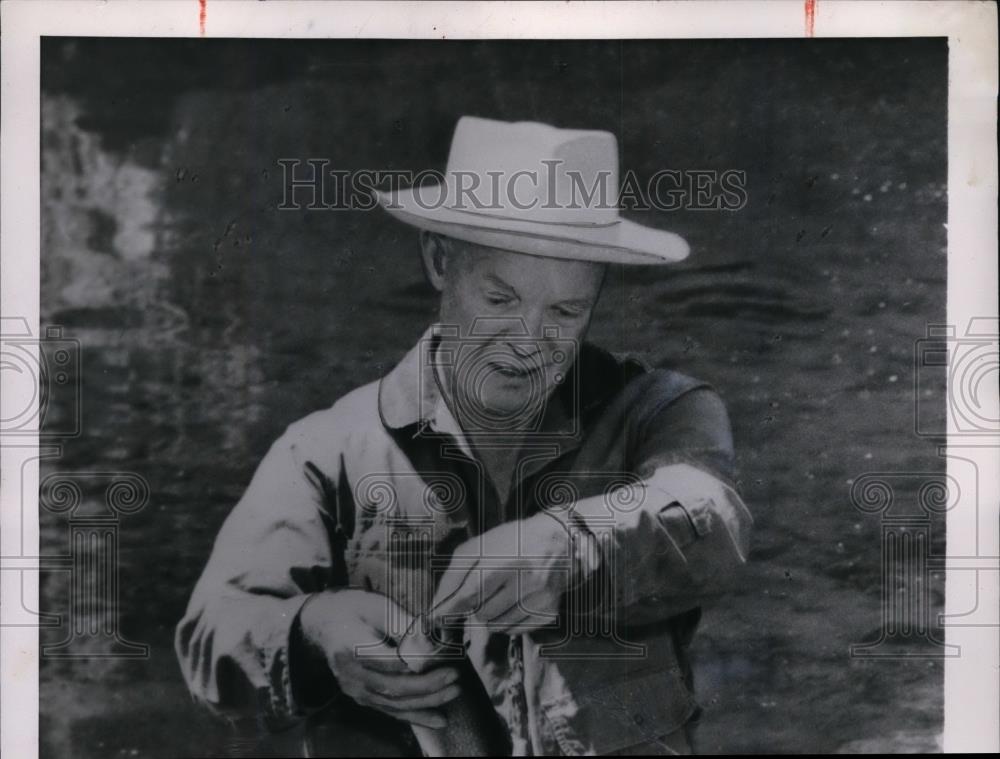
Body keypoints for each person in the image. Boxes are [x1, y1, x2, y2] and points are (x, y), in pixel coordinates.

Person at [176, 116, 753, 756]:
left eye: (565, 312)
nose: (529, 342)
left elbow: (714, 520)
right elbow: (210, 639)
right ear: (439, 259)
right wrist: (315, 630)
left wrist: (571, 548)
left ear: (597, 296)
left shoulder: (660, 412)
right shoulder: (322, 453)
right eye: (501, 300)